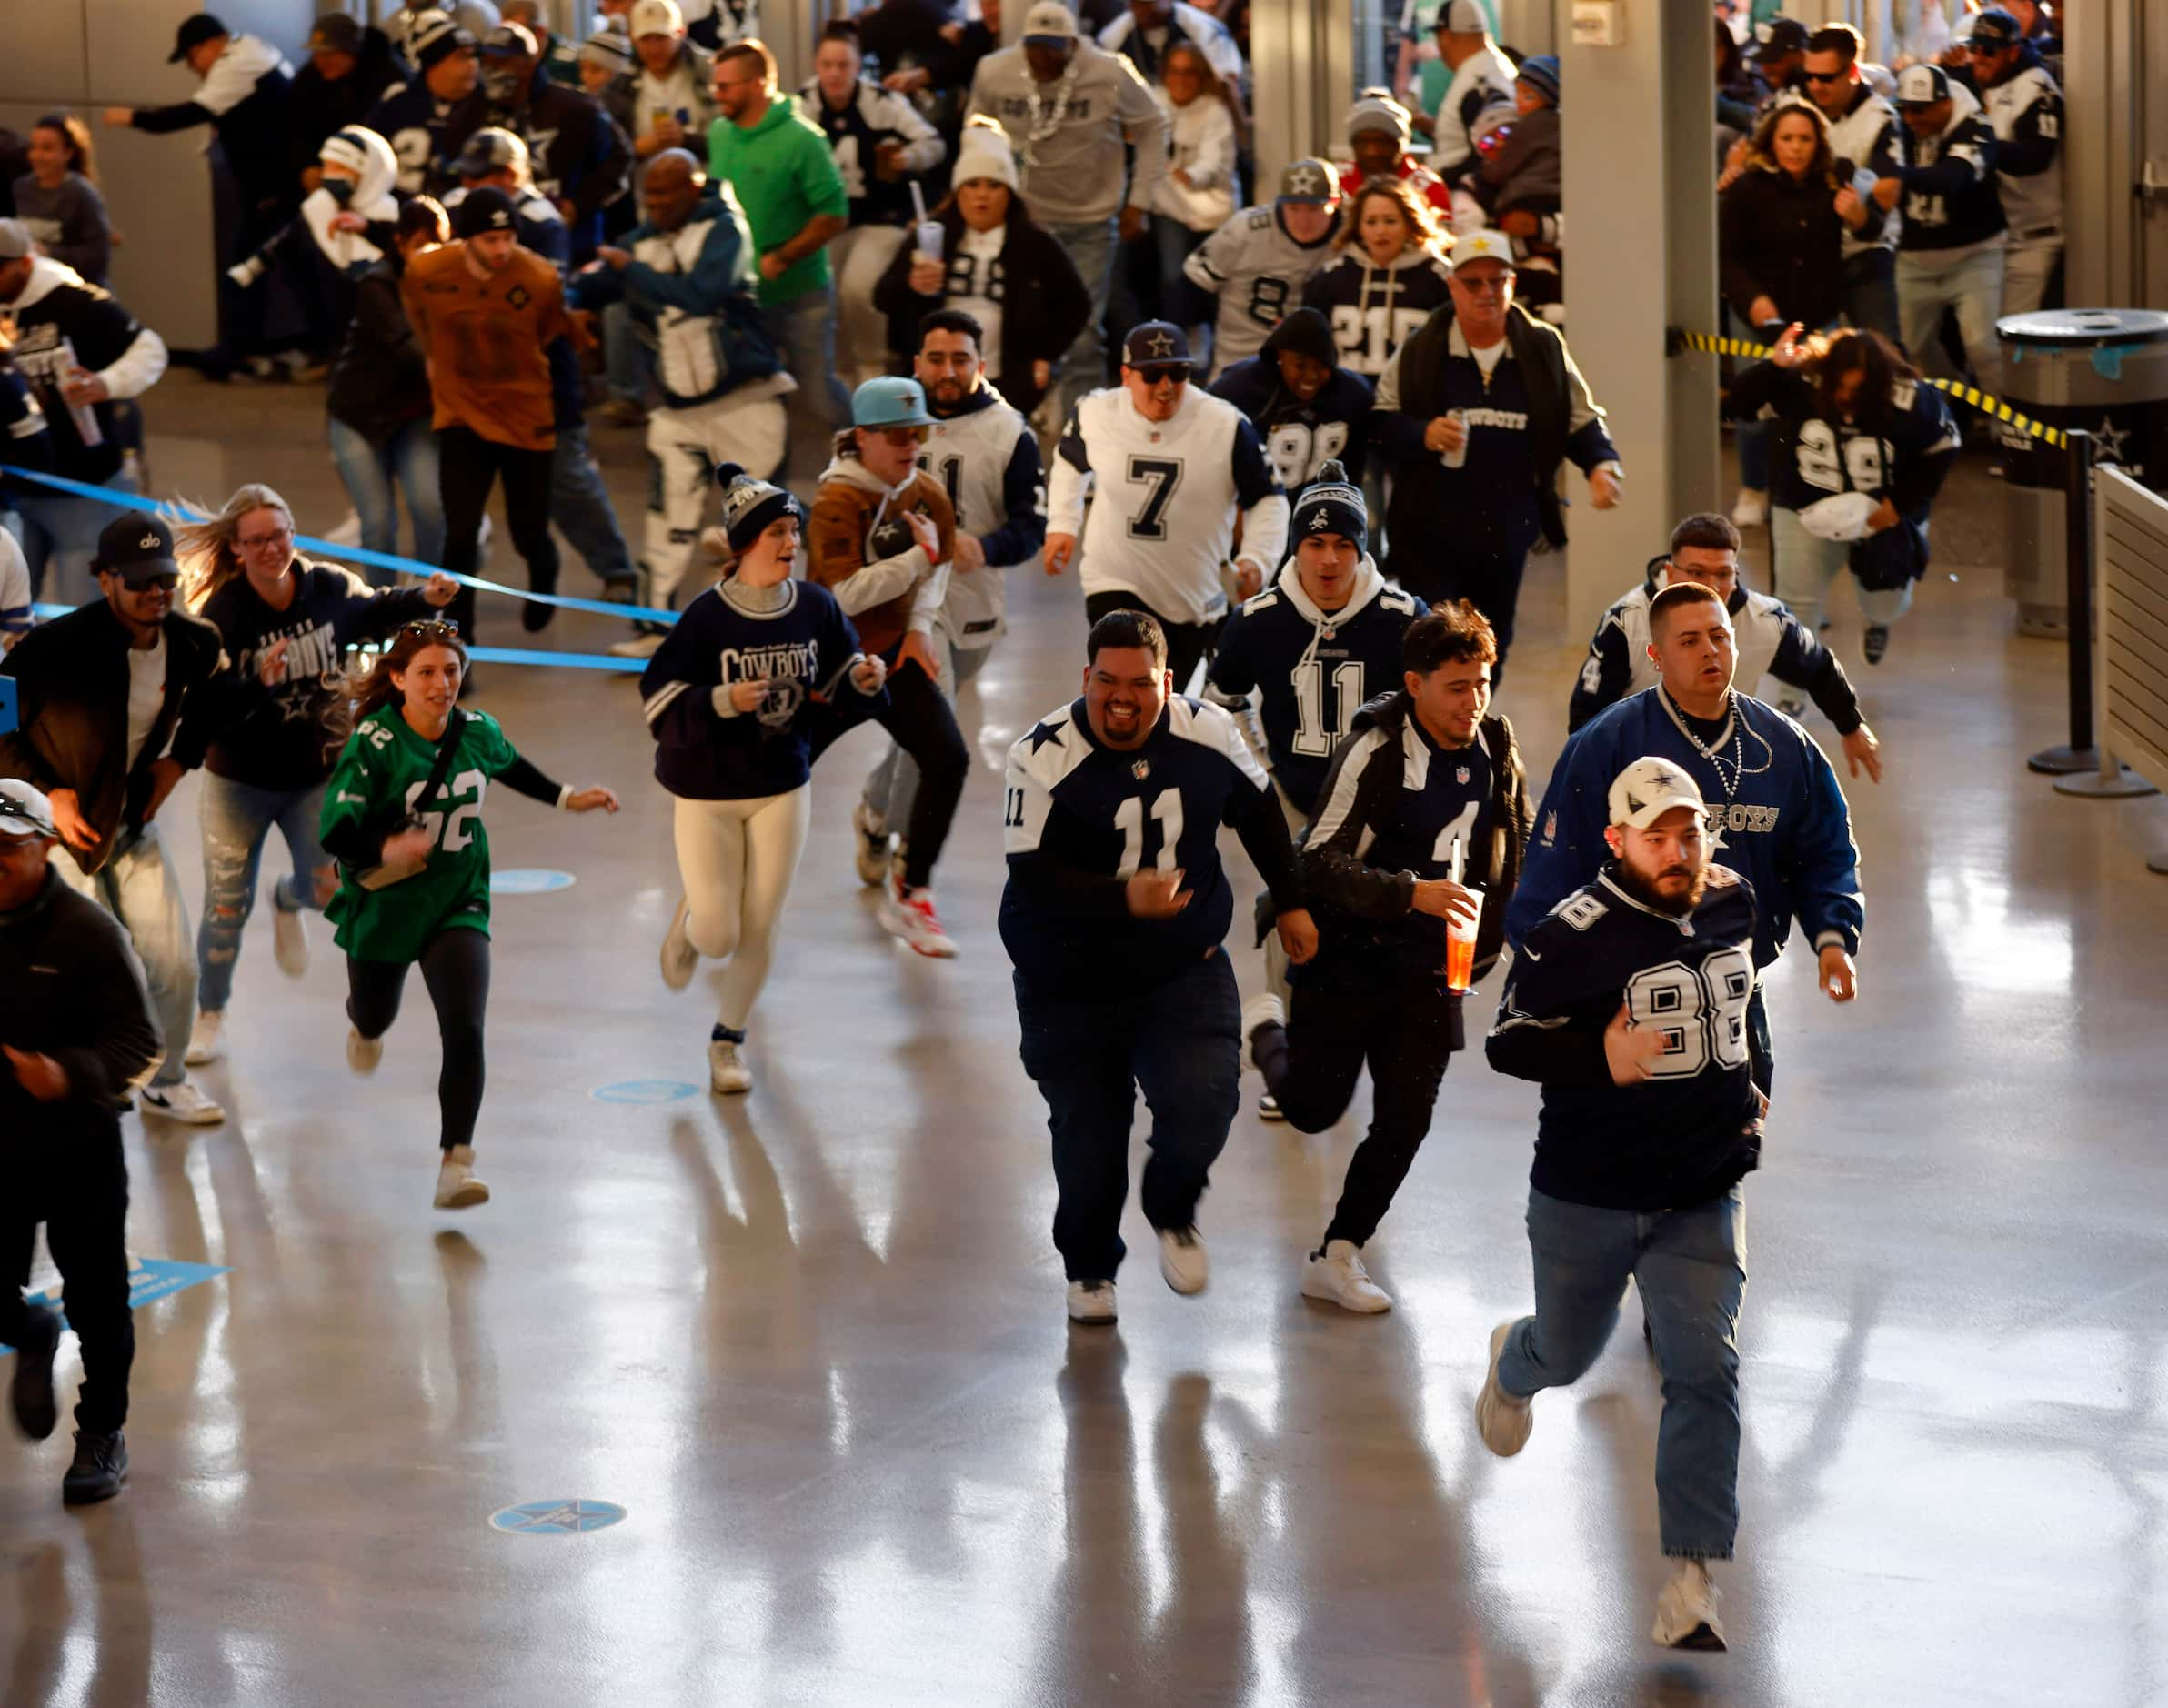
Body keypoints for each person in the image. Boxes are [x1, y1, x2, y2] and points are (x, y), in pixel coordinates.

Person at [1480, 758, 1766, 1653]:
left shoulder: (1729, 902)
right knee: (1567, 1352)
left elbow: (1742, 1012)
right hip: (1586, 1196)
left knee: (1703, 1371)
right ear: (1615, 842)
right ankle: (1515, 1361)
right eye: (1658, 837)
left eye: (1689, 833)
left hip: (1699, 1194)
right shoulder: (1570, 935)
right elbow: (1504, 1042)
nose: (1679, 851)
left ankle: (1690, 1582)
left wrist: (1752, 1098)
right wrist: (1594, 1062)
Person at [1002, 608, 1316, 1323]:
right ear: (1085, 678)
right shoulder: (1040, 754)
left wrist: (1292, 903)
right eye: (1105, 682)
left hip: (1183, 963)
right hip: (1068, 974)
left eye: (1140, 684)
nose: (1122, 698)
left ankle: (1172, 1208)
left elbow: (1261, 812)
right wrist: (1124, 898)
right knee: (1088, 1135)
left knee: (1205, 1100)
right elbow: (1031, 876)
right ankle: (1089, 1268)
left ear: (1167, 683)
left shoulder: (1207, 731)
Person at [1242, 601, 1529, 1309]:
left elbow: (1514, 845)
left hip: (1431, 971)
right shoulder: (1378, 746)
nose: (1474, 700)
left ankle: (1338, 1251)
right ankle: (1262, 1025)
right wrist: (1411, 894)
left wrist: (1502, 936)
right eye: (1456, 686)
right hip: (1351, 952)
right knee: (1312, 1111)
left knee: (1406, 1120)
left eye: (1483, 681)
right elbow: (1315, 861)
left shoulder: (1496, 742)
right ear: (1416, 683)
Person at [1508, 580, 1864, 1094]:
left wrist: (1834, 939)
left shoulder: (1785, 745)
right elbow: (1553, 870)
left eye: (1720, 637)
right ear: (1655, 654)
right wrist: (1555, 984)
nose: (1709, 651)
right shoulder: (1606, 743)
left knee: (1727, 1152)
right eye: (1690, 640)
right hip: (1624, 997)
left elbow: (1826, 849)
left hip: (1735, 994)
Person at [320, 621, 619, 1209]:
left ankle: (456, 1161)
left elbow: (510, 764)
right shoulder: (376, 743)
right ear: (400, 678)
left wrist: (567, 797)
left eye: (452, 671)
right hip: (386, 906)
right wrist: (386, 849)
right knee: (376, 1013)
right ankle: (364, 1023)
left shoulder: (477, 730)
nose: (442, 683)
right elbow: (337, 830)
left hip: (459, 899)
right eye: (427, 672)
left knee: (465, 1027)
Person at [178, 485, 457, 1066]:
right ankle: (211, 1014)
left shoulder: (326, 586)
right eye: (256, 541)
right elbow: (206, 707)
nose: (271, 549)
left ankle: (290, 897)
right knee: (226, 906)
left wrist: (425, 598)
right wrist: (261, 684)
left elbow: (375, 608)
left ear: (293, 533)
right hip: (240, 781)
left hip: (316, 775)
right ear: (236, 549)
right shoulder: (222, 616)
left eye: (279, 535)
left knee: (332, 887)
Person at [644, 468, 887, 1093]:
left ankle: (728, 1041)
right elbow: (659, 698)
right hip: (707, 790)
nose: (791, 543)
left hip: (782, 781)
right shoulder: (705, 617)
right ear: (743, 543)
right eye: (777, 531)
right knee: (720, 930)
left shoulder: (816, 604)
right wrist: (724, 700)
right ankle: (692, 920)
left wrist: (864, 678)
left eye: (794, 531)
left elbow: (840, 671)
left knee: (762, 922)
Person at [0, 516, 230, 1125]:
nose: (156, 593)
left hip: (127, 825)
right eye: (139, 582)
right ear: (105, 581)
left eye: (165, 580)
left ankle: (167, 1081)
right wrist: (51, 796)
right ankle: (75, 1087)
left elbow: (220, 697)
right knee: (92, 965)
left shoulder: (191, 644)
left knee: (176, 964)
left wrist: (178, 762)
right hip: (53, 839)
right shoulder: (54, 648)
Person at [0, 778, 162, 1507]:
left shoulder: (89, 933)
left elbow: (141, 1042)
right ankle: (30, 1332)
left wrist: (67, 1075)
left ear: (46, 848)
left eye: (8, 848)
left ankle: (103, 1431)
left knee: (99, 1300)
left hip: (78, 1149)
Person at [568, 149, 794, 655]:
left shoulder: (726, 229)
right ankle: (656, 630)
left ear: (694, 188)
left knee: (765, 524)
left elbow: (701, 292)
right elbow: (597, 279)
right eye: (648, 194)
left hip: (745, 402)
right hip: (677, 412)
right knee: (666, 522)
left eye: (665, 193)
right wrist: (568, 296)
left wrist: (632, 270)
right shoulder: (641, 242)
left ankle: (776, 625)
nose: (654, 203)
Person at [1371, 230, 1621, 677]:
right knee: (1434, 639)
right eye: (1473, 282)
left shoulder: (1542, 346)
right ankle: (1432, 734)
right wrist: (1422, 432)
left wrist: (1602, 465)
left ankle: (1470, 727)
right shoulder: (1422, 346)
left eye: (1497, 281)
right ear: (1452, 285)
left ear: (1512, 282)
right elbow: (1381, 421)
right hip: (1428, 529)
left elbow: (1579, 418)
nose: (1487, 292)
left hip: (1506, 528)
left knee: (1492, 640)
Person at [857, 309, 1046, 886]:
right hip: (903, 606)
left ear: (979, 365)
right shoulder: (883, 417)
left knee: (923, 730)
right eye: (936, 358)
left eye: (960, 359)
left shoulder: (1010, 432)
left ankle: (875, 808)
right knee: (935, 736)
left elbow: (1030, 526)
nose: (947, 370)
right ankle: (912, 858)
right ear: (917, 364)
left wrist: (984, 548)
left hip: (974, 607)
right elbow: (846, 492)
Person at [807, 377, 969, 956]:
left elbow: (943, 560)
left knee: (948, 757)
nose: (910, 445)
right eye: (898, 435)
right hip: (830, 661)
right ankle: (734, 887)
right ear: (863, 438)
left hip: (894, 655)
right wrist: (913, 559)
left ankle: (914, 892)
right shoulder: (835, 502)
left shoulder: (926, 491)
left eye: (918, 432)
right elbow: (842, 595)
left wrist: (920, 626)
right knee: (780, 771)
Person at [445, 129, 638, 607]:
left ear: (509, 176)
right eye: (466, 176)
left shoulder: (541, 223)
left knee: (565, 478)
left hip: (542, 382)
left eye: (479, 175)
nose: (467, 184)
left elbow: (541, 308)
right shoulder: (458, 206)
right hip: (471, 383)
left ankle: (617, 570)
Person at [1046, 320, 1289, 693]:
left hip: (1191, 595)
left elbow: (1269, 499)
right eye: (1153, 374)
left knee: (1164, 704)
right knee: (1130, 689)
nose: (1165, 387)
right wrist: (1062, 524)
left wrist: (1257, 559)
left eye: (1178, 373)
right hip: (1113, 580)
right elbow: (1069, 462)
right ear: (1126, 375)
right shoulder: (1095, 413)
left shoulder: (1224, 424)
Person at [1570, 515, 1883, 786]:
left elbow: (1818, 668)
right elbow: (1587, 717)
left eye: (1723, 574)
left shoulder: (1767, 622)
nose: (1712, 585)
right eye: (1697, 572)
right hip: (1641, 765)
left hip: (1726, 760)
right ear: (1670, 573)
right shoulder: (1626, 622)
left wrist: (1851, 725)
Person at [402, 187, 589, 638]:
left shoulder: (540, 278)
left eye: (508, 238)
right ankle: (457, 639)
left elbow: (547, 333)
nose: (502, 249)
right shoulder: (427, 269)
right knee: (460, 534)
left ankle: (544, 575)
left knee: (529, 532)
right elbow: (419, 316)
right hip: (461, 414)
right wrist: (439, 363)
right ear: (466, 238)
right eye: (490, 240)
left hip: (524, 416)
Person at [966, 1, 1168, 418]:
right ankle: (1009, 416)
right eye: (1034, 47)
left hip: (1089, 220)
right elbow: (976, 135)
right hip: (1024, 219)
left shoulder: (1111, 71)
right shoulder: (994, 71)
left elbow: (1153, 125)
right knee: (1015, 321)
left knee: (1081, 328)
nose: (1043, 56)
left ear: (1073, 45)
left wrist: (1140, 201)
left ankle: (1084, 422)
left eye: (1053, 47)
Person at [1725, 323, 1960, 666]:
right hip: (1804, 506)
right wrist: (1772, 368)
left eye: (1859, 388)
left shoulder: (1910, 398)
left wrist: (1899, 505)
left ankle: (1878, 621)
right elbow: (1737, 407)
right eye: (1841, 386)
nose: (1847, 397)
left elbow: (1943, 448)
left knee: (1887, 601)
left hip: (1883, 511)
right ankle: (1793, 699)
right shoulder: (1799, 385)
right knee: (1796, 603)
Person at [103, 13, 295, 380]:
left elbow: (186, 114)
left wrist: (131, 117)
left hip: (274, 187)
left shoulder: (234, 64)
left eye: (191, 58)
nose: (193, 69)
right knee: (258, 266)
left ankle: (242, 352)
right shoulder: (251, 49)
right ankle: (255, 348)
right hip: (270, 186)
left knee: (247, 268)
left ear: (210, 45)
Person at [1719, 99, 1881, 527]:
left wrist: (1860, 215)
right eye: (1786, 138)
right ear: (1771, 142)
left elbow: (1874, 225)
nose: (1795, 148)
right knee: (1755, 406)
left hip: (1816, 316)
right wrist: (1754, 301)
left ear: (1819, 142)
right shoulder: (1746, 187)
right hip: (1757, 314)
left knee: (1816, 406)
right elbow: (1727, 257)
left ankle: (1807, 487)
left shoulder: (1836, 179)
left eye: (1805, 139)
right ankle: (1753, 487)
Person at [872, 118, 1092, 423]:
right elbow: (882, 297)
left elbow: (1077, 304)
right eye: (972, 185)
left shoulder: (1035, 243)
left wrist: (1046, 354)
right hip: (933, 379)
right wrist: (911, 284)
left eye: (994, 185)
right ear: (958, 191)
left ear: (1009, 194)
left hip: (1007, 376)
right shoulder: (931, 237)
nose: (982, 196)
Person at [0, 221, 168, 608]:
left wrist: (106, 383)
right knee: (10, 610)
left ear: (25, 263)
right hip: (16, 493)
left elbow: (150, 348)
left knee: (83, 613)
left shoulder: (75, 301)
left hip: (83, 489)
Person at [706, 38, 852, 467]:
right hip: (744, 299)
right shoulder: (719, 132)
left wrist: (783, 257)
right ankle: (770, 491)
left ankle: (871, 453)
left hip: (800, 295)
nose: (718, 95)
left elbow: (834, 214)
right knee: (757, 402)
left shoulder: (803, 140)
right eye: (716, 86)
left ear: (758, 84)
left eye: (726, 86)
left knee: (819, 395)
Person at [803, 20, 948, 390]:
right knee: (828, 292)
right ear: (816, 65)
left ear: (858, 66)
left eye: (844, 65)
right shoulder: (801, 106)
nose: (835, 74)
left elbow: (934, 144)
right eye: (827, 65)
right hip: (827, 222)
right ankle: (841, 369)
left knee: (858, 287)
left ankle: (872, 363)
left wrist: (909, 157)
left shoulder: (883, 103)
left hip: (881, 217)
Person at [328, 197, 452, 572]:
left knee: (431, 508)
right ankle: (380, 615)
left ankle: (433, 608)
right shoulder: (377, 283)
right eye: (420, 247)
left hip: (415, 416)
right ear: (400, 244)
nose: (431, 255)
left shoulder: (448, 276)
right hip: (360, 418)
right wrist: (444, 366)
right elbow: (404, 344)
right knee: (378, 523)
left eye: (439, 246)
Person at [1876, 64, 2004, 399]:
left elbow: (1956, 177)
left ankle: (2005, 423)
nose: (1912, 119)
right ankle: (1956, 398)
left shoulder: (1976, 127)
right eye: (1905, 109)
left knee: (1983, 346)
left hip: (1975, 256)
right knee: (1912, 346)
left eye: (1920, 110)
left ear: (1945, 103)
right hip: (1914, 260)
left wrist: (1898, 177)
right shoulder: (1897, 125)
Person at [478, 21, 630, 260]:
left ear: (528, 64)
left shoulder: (575, 108)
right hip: (496, 247)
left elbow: (620, 158)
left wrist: (579, 204)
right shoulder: (477, 110)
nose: (491, 70)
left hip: (572, 246)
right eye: (486, 62)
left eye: (502, 62)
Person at [1181, 157, 1341, 381]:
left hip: (1319, 367)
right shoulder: (1245, 229)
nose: (1304, 220)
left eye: (1315, 208)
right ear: (1280, 203)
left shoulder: (1351, 236)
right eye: (1293, 208)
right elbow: (1192, 285)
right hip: (1242, 359)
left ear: (1335, 202)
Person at [1799, 24, 1902, 342]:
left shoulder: (1880, 118)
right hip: (1805, 251)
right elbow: (1751, 152)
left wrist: (1859, 213)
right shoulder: (1794, 105)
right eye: (1809, 76)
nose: (1816, 86)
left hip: (1864, 252)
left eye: (1827, 78)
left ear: (1853, 71)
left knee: (1883, 353)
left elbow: (1886, 193)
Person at [1960, 7, 2063, 318]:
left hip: (2034, 237)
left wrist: (1984, 148)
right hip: (1993, 239)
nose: (1979, 57)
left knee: (2012, 340)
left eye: (1989, 51)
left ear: (2013, 52)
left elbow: (2036, 157)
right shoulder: (1982, 82)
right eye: (1972, 48)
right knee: (1982, 341)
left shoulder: (2037, 88)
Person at [1300, 178, 1452, 383]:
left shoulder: (1441, 278)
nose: (1381, 231)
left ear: (1409, 222)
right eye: (1371, 222)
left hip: (1412, 401)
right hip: (1349, 399)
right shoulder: (1330, 278)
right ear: (1358, 227)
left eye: (1390, 221)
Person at [1208, 306, 1374, 487]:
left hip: (1319, 507)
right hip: (1253, 507)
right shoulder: (1238, 387)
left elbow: (1355, 466)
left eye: (1321, 365)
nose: (1311, 376)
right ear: (1280, 355)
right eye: (1300, 365)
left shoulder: (1354, 394)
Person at [1148, 43, 1243, 329]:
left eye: (1189, 72)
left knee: (1211, 278)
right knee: (1172, 275)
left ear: (1200, 76)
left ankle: (1210, 334)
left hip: (1212, 207)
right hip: (1168, 204)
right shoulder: (1153, 103)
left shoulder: (1215, 111)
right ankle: (1179, 335)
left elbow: (1214, 161)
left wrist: (1190, 175)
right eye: (1174, 72)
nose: (1180, 80)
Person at [366, 9, 487, 197]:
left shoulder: (484, 102)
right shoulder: (397, 101)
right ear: (433, 64)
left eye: (474, 56)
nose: (473, 64)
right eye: (462, 57)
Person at [289, 13, 406, 199]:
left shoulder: (390, 78)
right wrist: (306, 165)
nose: (321, 61)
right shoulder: (311, 76)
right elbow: (294, 123)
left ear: (352, 50)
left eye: (329, 54)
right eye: (316, 54)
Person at [1419, 0, 1515, 183]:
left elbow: (1489, 152)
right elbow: (1469, 129)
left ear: (1445, 36)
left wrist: (1442, 179)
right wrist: (1428, 126)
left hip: (1466, 199)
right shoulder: (1491, 65)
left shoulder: (1479, 81)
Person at [13, 115, 113, 286]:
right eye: (33, 148)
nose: (37, 156)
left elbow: (98, 256)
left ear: (68, 152)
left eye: (47, 149)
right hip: (32, 291)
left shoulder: (81, 194)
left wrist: (49, 252)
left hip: (75, 293)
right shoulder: (20, 188)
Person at [627, 0, 717, 174]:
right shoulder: (619, 86)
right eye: (645, 39)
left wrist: (687, 140)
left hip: (705, 184)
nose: (654, 49)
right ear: (632, 38)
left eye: (662, 38)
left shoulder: (710, 73)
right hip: (643, 191)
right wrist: (637, 147)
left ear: (681, 32)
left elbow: (730, 138)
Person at [1337, 87, 1449, 216]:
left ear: (1400, 144)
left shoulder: (1429, 188)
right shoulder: (1336, 180)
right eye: (1362, 142)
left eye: (1381, 142)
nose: (1371, 152)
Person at [1097, 0, 1245, 91]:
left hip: (1196, 112)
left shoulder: (1204, 28)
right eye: (1136, 2)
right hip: (1139, 116)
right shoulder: (1115, 33)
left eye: (1147, 3)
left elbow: (1228, 79)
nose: (1139, 9)